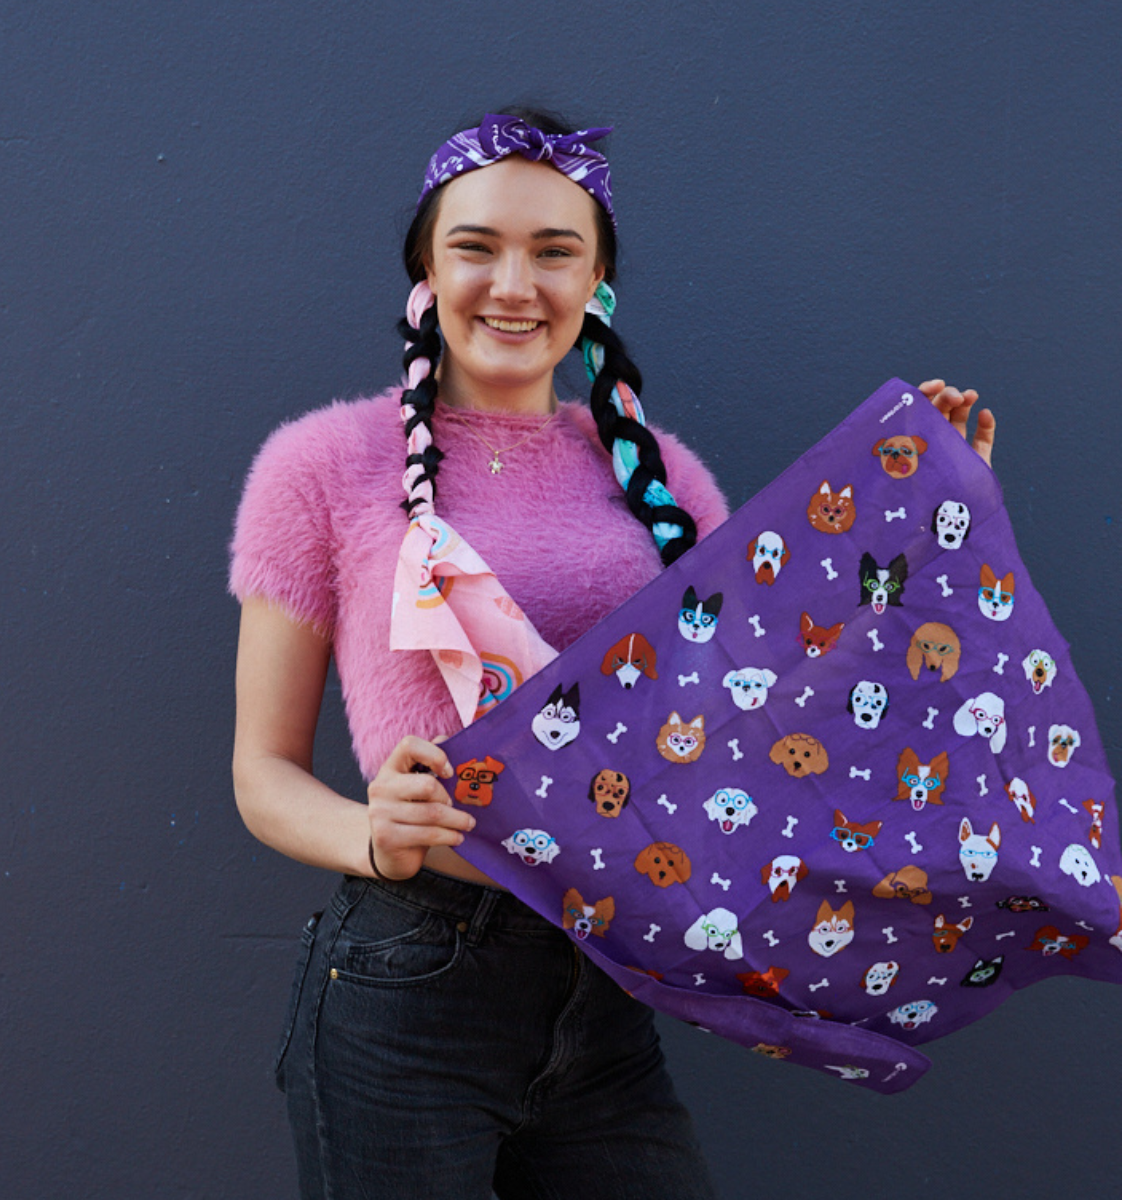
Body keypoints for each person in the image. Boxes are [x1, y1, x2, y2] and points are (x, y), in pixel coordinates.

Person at [229, 107, 995, 1199]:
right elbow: (260, 773)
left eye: (555, 251)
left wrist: (921, 523)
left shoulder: (665, 478)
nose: (514, 283)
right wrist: (372, 835)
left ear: (597, 283)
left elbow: (765, 722)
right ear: (424, 269)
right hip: (408, 986)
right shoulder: (318, 467)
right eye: (476, 246)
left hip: (612, 991)